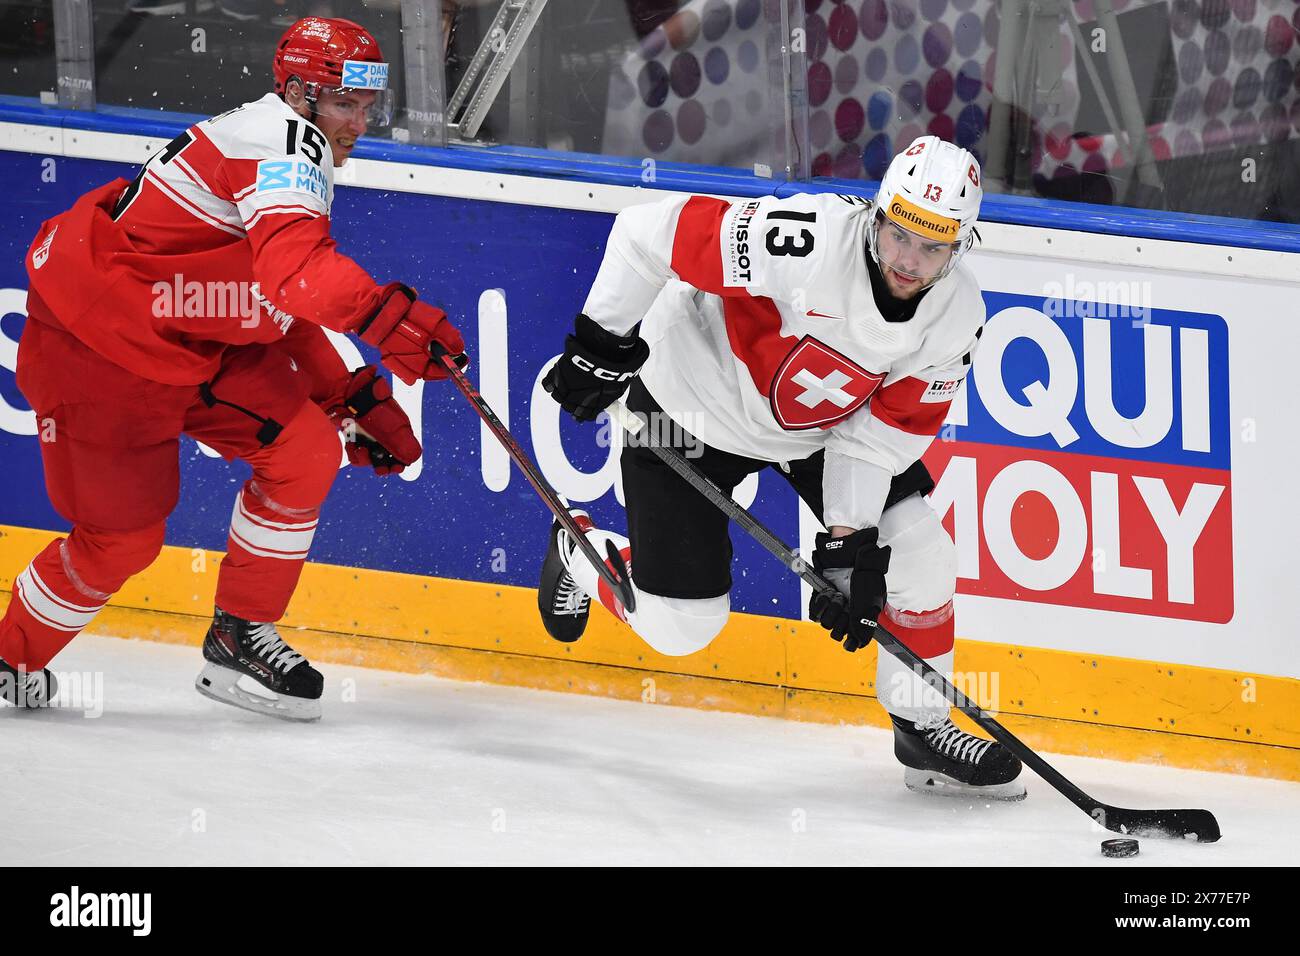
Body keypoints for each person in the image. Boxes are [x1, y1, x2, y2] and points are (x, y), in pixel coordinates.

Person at [0, 17, 465, 721]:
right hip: (100, 353)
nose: (358, 124)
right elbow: (296, 275)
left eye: (368, 108)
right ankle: (10, 658)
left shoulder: (278, 135)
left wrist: (346, 393)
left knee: (306, 450)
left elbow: (266, 297)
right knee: (121, 543)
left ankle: (239, 632)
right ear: (299, 94)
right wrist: (382, 317)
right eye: (345, 104)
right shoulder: (285, 146)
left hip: (187, 338)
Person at [537, 136, 1024, 799]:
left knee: (918, 551)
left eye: (933, 246)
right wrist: (601, 341)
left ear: (959, 248)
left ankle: (921, 726)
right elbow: (646, 234)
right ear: (877, 215)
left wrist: (847, 544)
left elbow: (881, 438)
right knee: (681, 628)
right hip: (689, 405)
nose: (908, 261)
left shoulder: (956, 316)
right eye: (899, 235)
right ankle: (582, 550)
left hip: (819, 432)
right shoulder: (805, 240)